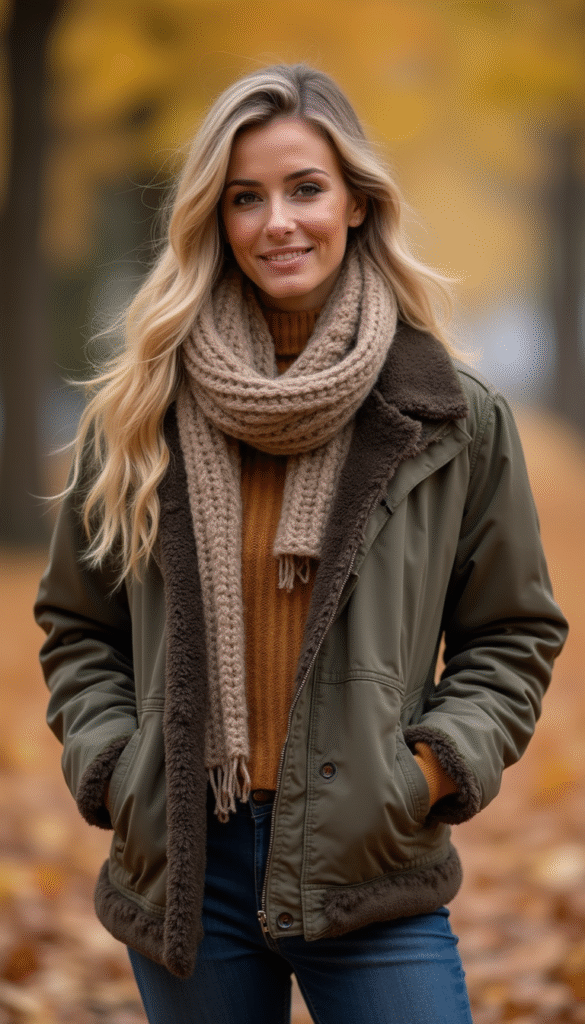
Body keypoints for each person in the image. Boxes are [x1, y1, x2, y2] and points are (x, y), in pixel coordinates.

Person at [35, 63, 568, 1024]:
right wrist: (119, 768)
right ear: (215, 218)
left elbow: (512, 633)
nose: (277, 221)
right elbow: (79, 626)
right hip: (188, 869)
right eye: (245, 198)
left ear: (357, 202)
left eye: (304, 188)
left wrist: (429, 771)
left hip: (370, 863)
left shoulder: (450, 417)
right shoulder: (139, 410)